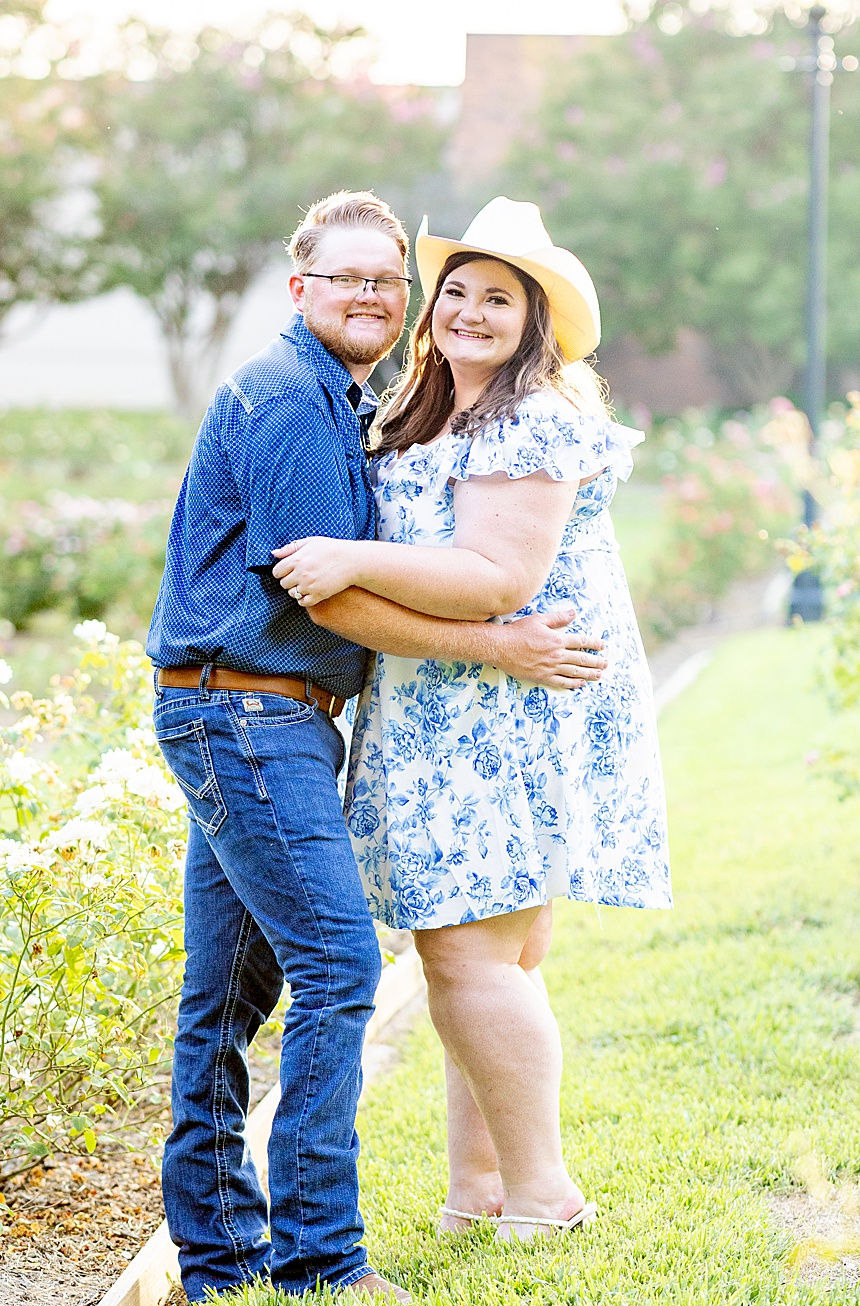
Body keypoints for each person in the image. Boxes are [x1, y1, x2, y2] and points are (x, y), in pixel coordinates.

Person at [146, 191, 609, 1301]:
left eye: (386, 278)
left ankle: (217, 1260)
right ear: (299, 288)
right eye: (347, 276)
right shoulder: (295, 404)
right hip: (249, 712)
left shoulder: (338, 394)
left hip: (252, 712)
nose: (372, 293)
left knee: (223, 995)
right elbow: (331, 604)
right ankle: (318, 1261)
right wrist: (498, 642)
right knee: (339, 967)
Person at [271, 197, 673, 1242]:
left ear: (534, 321)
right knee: (484, 958)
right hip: (442, 711)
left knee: (467, 958)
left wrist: (351, 560)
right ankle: (478, 1187)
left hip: (501, 717)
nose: (469, 310)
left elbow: (501, 576)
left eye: (499, 297)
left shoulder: (531, 416)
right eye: (455, 290)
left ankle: (543, 1192)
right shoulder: (423, 410)